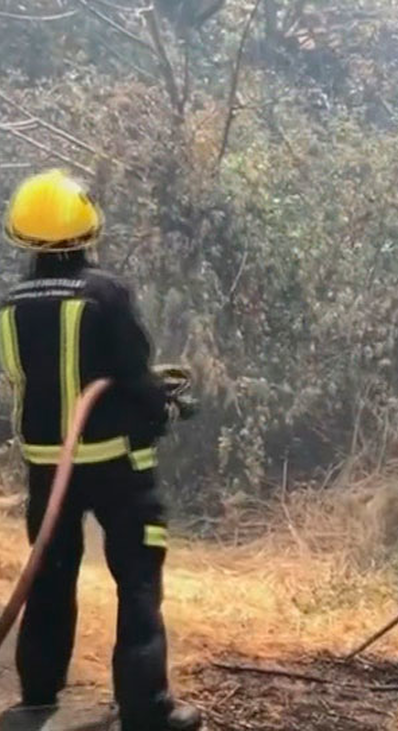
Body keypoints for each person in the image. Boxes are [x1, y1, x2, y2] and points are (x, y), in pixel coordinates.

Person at [0, 169, 201, 730]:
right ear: (88, 231)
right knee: (137, 581)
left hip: (47, 468)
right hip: (119, 467)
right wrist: (164, 407)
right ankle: (146, 710)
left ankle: (37, 699)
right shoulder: (105, 295)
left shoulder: (8, 306)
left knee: (48, 578)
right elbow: (134, 379)